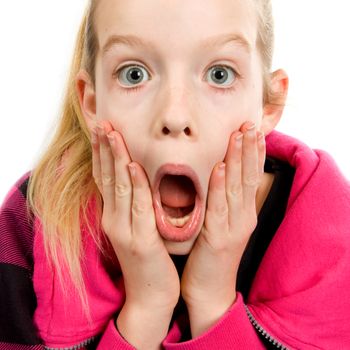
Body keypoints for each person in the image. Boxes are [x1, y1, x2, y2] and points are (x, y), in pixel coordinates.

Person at [0, 0, 349, 349]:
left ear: (268, 105)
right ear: (91, 103)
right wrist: (145, 310)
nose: (175, 115)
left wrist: (213, 303)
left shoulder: (334, 244)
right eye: (133, 74)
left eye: (219, 74)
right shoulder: (31, 219)